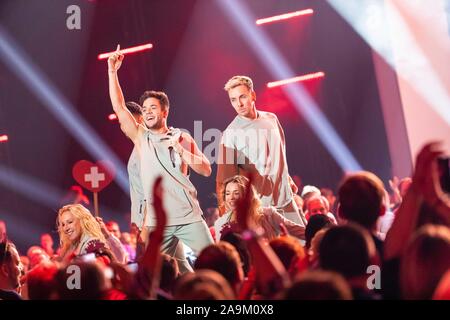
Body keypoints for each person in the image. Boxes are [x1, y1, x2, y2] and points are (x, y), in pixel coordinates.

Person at [107, 45, 213, 273]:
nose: (147, 111)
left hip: (188, 216)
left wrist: (182, 151)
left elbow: (205, 170)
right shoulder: (140, 137)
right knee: (161, 276)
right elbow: (119, 107)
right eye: (144, 108)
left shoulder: (181, 136)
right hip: (157, 222)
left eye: (153, 107)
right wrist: (112, 71)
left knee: (214, 265)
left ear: (164, 112)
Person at [216, 75, 306, 225]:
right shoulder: (230, 134)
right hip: (260, 207)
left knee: (304, 244)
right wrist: (226, 217)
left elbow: (280, 153)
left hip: (286, 199)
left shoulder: (271, 119)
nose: (239, 103)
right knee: (269, 248)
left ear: (253, 95)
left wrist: (287, 178)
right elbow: (224, 180)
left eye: (242, 96)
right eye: (233, 99)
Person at [214, 175, 305, 242]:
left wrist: (316, 235)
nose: (231, 197)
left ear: (248, 195)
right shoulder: (220, 223)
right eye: (227, 193)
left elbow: (296, 230)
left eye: (236, 193)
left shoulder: (268, 214)